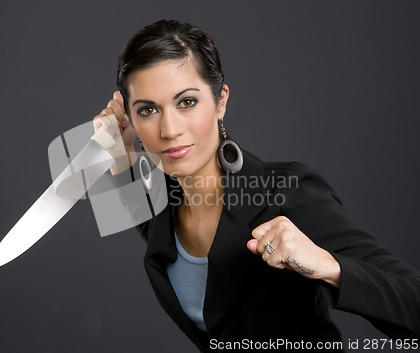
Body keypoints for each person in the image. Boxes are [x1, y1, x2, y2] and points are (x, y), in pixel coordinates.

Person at [93, 19, 420, 352]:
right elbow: (141, 216)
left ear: (220, 101)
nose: (169, 129)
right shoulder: (165, 205)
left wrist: (327, 265)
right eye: (147, 110)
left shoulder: (285, 192)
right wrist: (122, 156)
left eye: (186, 102)